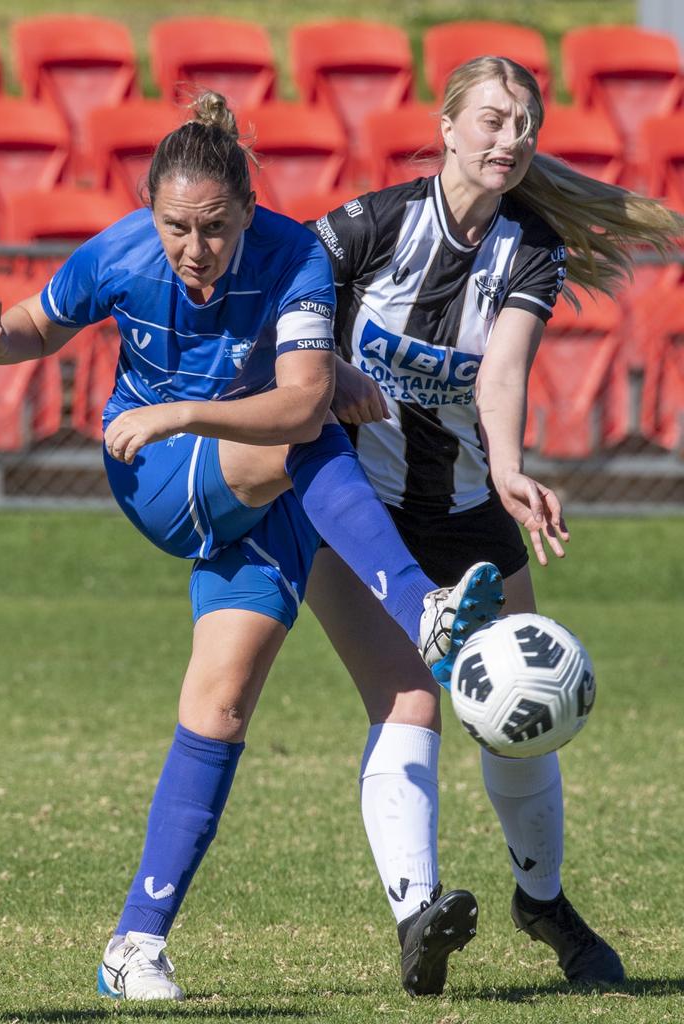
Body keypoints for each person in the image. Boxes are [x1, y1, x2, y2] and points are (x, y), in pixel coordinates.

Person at [0, 92, 505, 1002]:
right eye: (178, 227)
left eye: (215, 228)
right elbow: (35, 326)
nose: (195, 248)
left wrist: (323, 379)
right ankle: (426, 605)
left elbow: (295, 397)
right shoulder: (126, 250)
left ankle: (137, 945)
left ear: (250, 212)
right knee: (311, 434)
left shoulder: (295, 255)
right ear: (150, 212)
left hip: (263, 482)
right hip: (162, 476)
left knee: (238, 703)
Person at [303, 54, 684, 996]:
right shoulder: (368, 226)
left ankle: (542, 901)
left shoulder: (531, 247)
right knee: (414, 701)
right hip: (360, 514)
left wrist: (510, 469)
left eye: (524, 125)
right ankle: (418, 916)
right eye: (491, 120)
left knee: (519, 718)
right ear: (445, 127)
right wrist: (318, 379)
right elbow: (288, 312)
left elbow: (504, 369)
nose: (509, 139)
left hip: (473, 511)